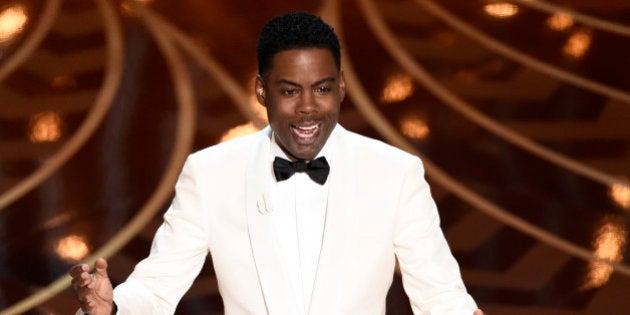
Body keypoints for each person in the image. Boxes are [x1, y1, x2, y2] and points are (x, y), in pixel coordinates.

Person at [70, 12, 484, 315]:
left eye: (322, 88)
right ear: (262, 91)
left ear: (341, 87)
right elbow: (158, 288)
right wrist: (111, 308)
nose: (308, 108)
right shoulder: (211, 173)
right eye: (289, 91)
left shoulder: (396, 173)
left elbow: (441, 297)